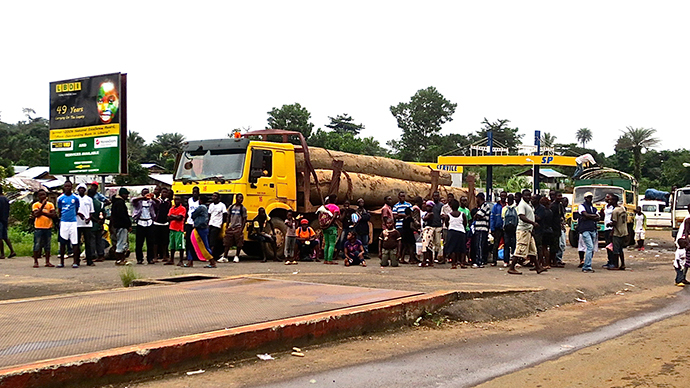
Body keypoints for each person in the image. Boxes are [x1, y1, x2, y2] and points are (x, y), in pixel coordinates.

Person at [508, 189, 546, 275]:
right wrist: (533, 222)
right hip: (523, 231)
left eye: (529, 195)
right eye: (526, 195)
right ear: (522, 196)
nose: (528, 197)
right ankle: (511, 267)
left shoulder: (528, 204)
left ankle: (538, 267)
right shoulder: (522, 205)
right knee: (520, 249)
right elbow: (521, 216)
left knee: (533, 250)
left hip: (528, 230)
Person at [57, 181, 81, 268]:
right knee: (63, 242)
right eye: (66, 186)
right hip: (64, 222)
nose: (67, 188)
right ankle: (61, 262)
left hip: (73, 222)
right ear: (64, 187)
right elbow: (59, 210)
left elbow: (77, 208)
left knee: (74, 242)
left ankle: (75, 261)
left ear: (72, 187)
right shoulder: (60, 198)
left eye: (69, 186)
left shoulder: (76, 198)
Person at [132, 188, 158, 265]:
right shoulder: (138, 201)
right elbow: (133, 200)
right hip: (140, 222)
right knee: (139, 242)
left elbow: (158, 203)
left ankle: (150, 258)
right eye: (145, 193)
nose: (146, 195)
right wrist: (143, 198)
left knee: (150, 242)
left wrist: (152, 198)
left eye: (147, 193)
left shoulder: (151, 201)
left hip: (149, 222)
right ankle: (139, 258)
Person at [31, 189, 56, 267]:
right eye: (41, 195)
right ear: (38, 196)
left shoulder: (50, 204)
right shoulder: (35, 205)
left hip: (48, 227)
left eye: (44, 195)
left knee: (47, 245)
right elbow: (36, 214)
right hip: (38, 227)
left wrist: (41, 212)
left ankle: (47, 261)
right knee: (37, 244)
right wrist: (42, 207)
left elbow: (53, 215)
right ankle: (35, 261)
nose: (43, 196)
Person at [578, 191, 600, 273]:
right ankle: (586, 266)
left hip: (592, 229)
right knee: (590, 247)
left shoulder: (593, 208)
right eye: (588, 197)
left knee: (591, 248)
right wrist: (592, 216)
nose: (589, 199)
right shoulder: (581, 206)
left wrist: (589, 216)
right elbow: (585, 214)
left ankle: (588, 264)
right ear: (585, 198)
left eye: (590, 197)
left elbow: (597, 217)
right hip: (585, 229)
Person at [444, 198, 468, 269]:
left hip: (452, 232)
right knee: (462, 248)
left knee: (453, 249)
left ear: (451, 207)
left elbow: (446, 223)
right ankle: (462, 263)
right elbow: (465, 223)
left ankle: (454, 264)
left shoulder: (448, 215)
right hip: (461, 232)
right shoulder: (462, 214)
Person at [222, 193, 247, 263]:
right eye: (239, 198)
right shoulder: (231, 207)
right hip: (231, 227)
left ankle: (237, 256)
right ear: (236, 198)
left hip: (238, 227)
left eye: (242, 198)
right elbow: (228, 216)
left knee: (239, 243)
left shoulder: (243, 208)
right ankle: (225, 256)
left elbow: (244, 218)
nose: (241, 200)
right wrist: (227, 226)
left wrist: (242, 228)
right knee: (227, 242)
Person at [189, 195, 212, 267]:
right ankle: (190, 261)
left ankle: (212, 261)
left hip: (200, 228)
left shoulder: (201, 207)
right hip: (202, 228)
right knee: (196, 244)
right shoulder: (205, 208)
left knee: (203, 245)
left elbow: (193, 215)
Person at [110, 188, 131, 266]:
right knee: (121, 242)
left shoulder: (115, 202)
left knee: (119, 241)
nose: (127, 196)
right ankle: (120, 259)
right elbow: (122, 215)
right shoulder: (120, 203)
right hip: (122, 225)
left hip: (116, 225)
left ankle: (119, 259)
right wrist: (128, 224)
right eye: (126, 194)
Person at [75, 184, 95, 266]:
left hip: (87, 224)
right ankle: (77, 260)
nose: (81, 190)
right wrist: (79, 214)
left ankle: (89, 260)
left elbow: (91, 211)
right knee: (77, 242)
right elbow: (73, 210)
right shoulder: (75, 198)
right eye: (80, 189)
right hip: (77, 223)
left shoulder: (89, 199)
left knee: (88, 243)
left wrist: (89, 218)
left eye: (83, 189)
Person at [608, 194, 628, 270]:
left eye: (610, 200)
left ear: (614, 201)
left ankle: (616, 265)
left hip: (617, 232)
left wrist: (609, 225)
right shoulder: (622, 209)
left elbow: (614, 222)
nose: (609, 201)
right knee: (620, 250)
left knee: (616, 250)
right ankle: (622, 264)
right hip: (624, 231)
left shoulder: (615, 211)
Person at [319, 195, 340, 264]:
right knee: (332, 244)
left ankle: (325, 259)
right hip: (332, 227)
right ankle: (330, 259)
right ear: (334, 200)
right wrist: (329, 225)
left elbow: (320, 216)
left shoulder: (324, 207)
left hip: (324, 227)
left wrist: (324, 226)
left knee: (326, 244)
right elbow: (334, 217)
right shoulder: (336, 207)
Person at [207, 192, 227, 263]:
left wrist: (222, 224)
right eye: (213, 196)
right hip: (211, 224)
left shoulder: (222, 205)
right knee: (209, 240)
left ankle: (211, 256)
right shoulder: (211, 205)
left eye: (215, 196)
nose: (213, 198)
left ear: (218, 198)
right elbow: (209, 215)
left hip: (217, 225)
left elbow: (225, 215)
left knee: (213, 241)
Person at [88, 188, 106, 263]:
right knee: (99, 240)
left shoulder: (87, 202)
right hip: (99, 224)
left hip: (90, 224)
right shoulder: (99, 203)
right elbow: (104, 213)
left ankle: (92, 255)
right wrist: (101, 221)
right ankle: (101, 255)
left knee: (91, 240)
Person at [154, 188, 172, 263]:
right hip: (157, 223)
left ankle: (165, 256)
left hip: (165, 223)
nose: (164, 194)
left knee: (165, 241)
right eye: (163, 192)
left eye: (166, 192)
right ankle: (155, 256)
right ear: (161, 193)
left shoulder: (168, 202)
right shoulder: (157, 201)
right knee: (155, 241)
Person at [473, 192, 491, 268]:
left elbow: (478, 215)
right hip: (478, 228)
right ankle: (480, 260)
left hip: (482, 229)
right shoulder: (481, 207)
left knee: (479, 245)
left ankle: (479, 262)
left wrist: (476, 216)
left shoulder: (485, 206)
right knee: (478, 245)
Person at [168, 194, 187, 266]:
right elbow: (168, 218)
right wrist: (175, 216)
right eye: (175, 200)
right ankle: (171, 259)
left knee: (180, 245)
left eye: (178, 199)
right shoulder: (172, 208)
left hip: (179, 229)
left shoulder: (182, 208)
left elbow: (180, 218)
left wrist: (172, 216)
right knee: (172, 245)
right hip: (172, 228)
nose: (176, 201)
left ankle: (181, 260)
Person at [490, 191, 507, 266]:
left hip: (506, 228)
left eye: (504, 196)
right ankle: (494, 260)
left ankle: (506, 261)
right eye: (502, 196)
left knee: (506, 244)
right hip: (498, 228)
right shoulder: (496, 206)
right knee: (496, 244)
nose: (503, 197)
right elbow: (492, 217)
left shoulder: (507, 206)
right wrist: (492, 228)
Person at [549, 191, 566, 267]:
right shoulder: (553, 206)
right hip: (553, 228)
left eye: (561, 196)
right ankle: (553, 261)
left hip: (558, 227)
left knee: (557, 245)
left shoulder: (560, 205)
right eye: (558, 196)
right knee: (553, 245)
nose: (560, 197)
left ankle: (555, 260)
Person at [600, 193, 616, 269]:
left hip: (611, 229)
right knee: (608, 246)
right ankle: (609, 261)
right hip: (606, 228)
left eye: (608, 197)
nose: (607, 199)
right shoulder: (606, 207)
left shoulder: (615, 208)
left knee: (612, 246)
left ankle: (613, 262)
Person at [0, 186, 16, 259]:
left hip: (0, 219)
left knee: (0, 237)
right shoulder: (6, 199)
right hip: (5, 219)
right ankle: (12, 251)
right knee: (5, 237)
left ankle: (2, 254)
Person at [501, 194, 518, 267]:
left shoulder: (505, 208)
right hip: (511, 229)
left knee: (510, 245)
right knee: (509, 245)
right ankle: (508, 261)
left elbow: (503, 218)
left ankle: (508, 261)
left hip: (509, 229)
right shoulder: (516, 208)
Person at [428, 191, 444, 262]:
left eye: (437, 196)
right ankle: (430, 257)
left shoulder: (441, 205)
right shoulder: (430, 205)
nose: (436, 197)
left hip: (438, 226)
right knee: (430, 242)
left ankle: (436, 257)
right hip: (431, 226)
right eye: (434, 196)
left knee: (438, 242)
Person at [185, 186, 201, 262]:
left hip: (197, 223)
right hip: (189, 222)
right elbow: (188, 209)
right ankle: (188, 255)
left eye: (196, 192)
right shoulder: (189, 200)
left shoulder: (199, 202)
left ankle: (196, 255)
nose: (195, 193)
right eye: (193, 192)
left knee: (196, 240)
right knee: (188, 239)